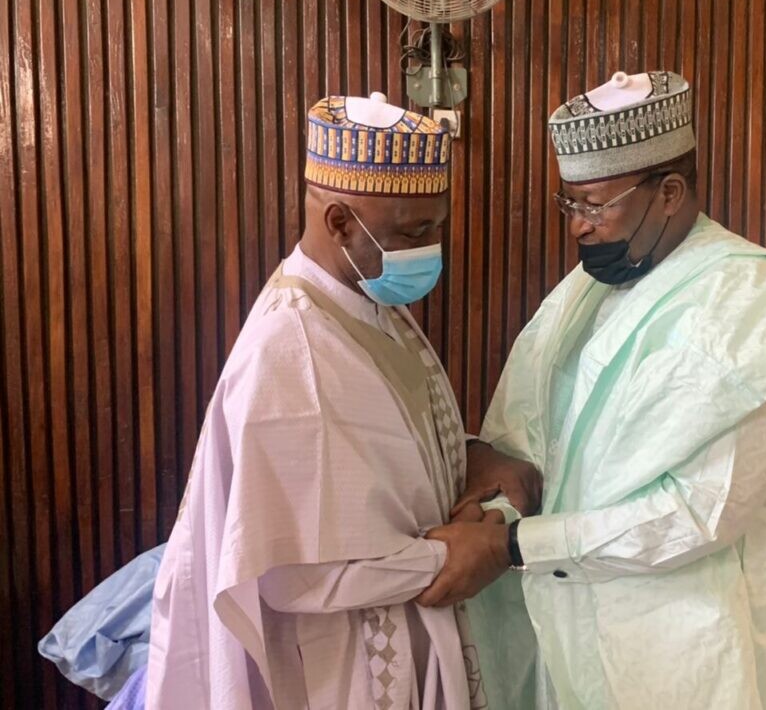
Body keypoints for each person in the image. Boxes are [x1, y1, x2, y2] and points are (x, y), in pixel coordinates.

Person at [416, 71, 766, 709]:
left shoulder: (760, 312)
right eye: (569, 204)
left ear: (669, 192)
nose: (578, 227)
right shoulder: (590, 291)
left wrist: (509, 544)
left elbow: (699, 512)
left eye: (594, 204)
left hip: (692, 653)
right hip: (581, 634)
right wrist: (496, 481)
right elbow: (539, 437)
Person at [144, 93, 539, 710]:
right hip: (341, 661)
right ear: (339, 223)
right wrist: (457, 553)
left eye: (437, 225)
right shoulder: (288, 348)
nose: (432, 247)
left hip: (411, 627)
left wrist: (472, 455)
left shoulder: (369, 298)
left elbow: (380, 450)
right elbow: (286, 568)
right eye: (414, 232)